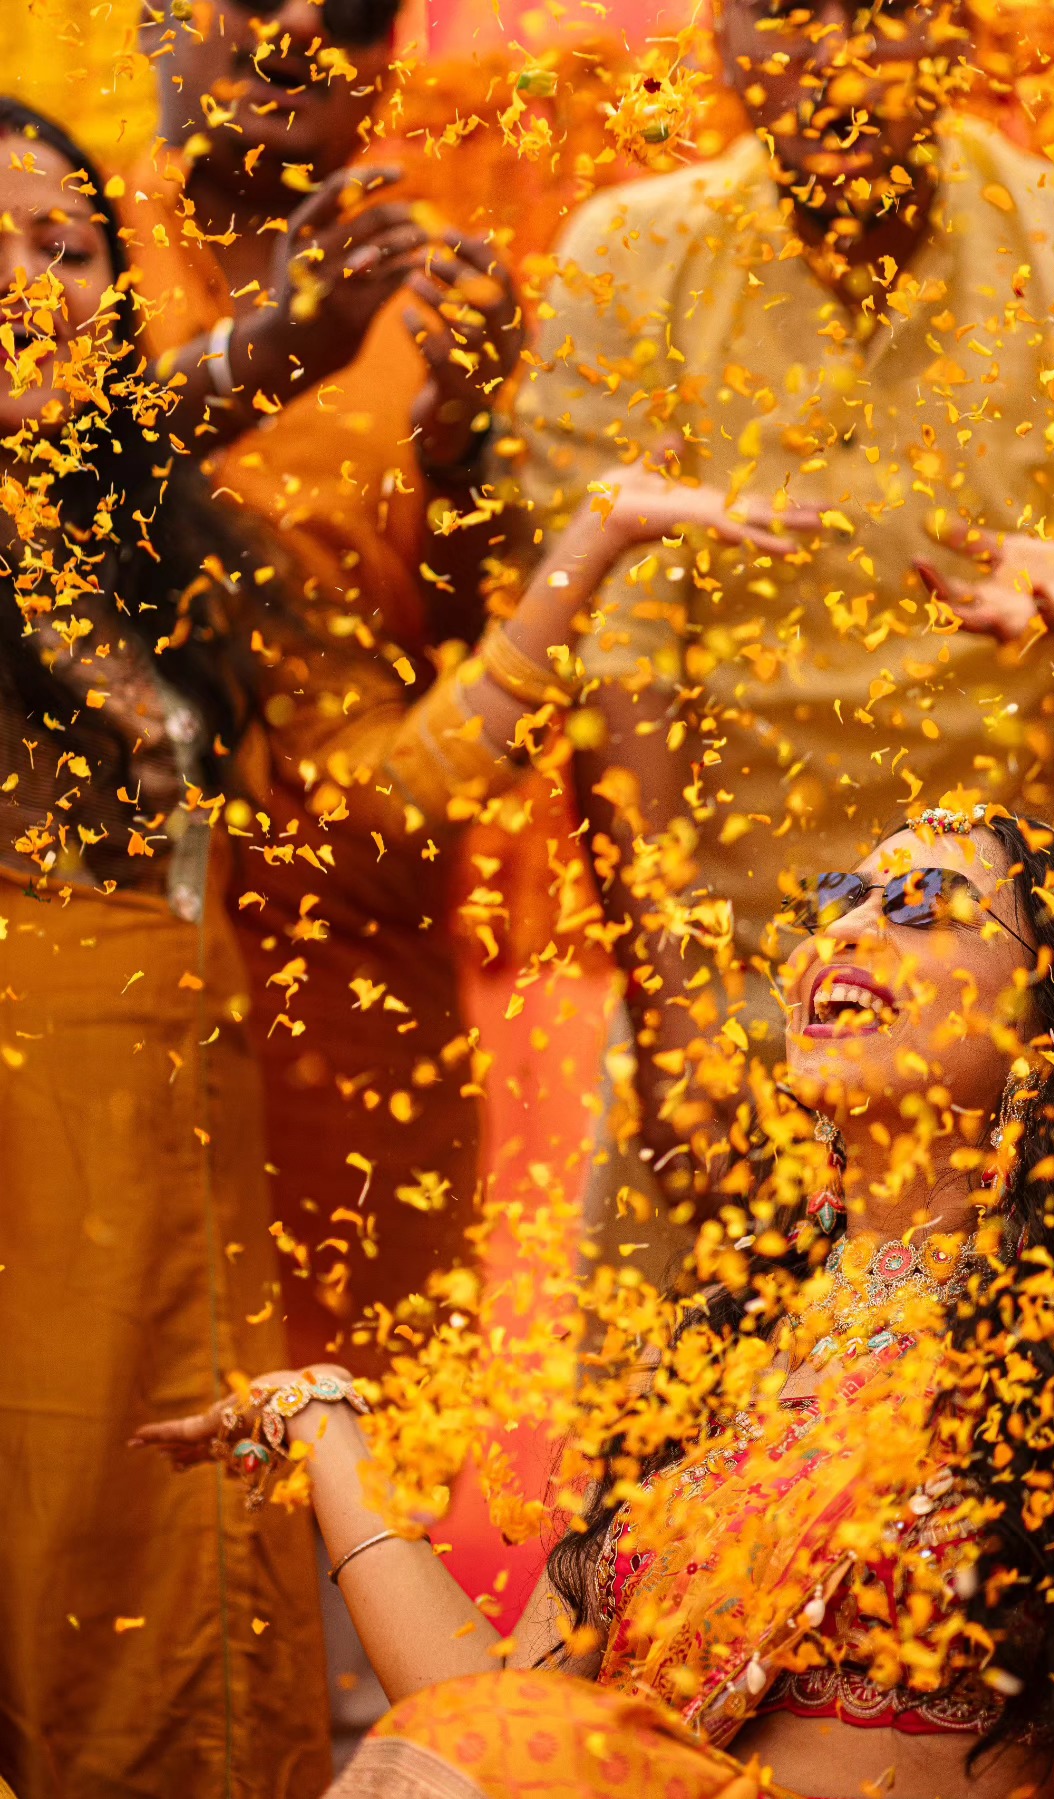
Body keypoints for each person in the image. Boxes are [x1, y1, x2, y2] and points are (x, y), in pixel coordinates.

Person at [137, 805, 1054, 1799]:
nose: (846, 930)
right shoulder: (731, 1336)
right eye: (840, 897)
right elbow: (497, 1727)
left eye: (923, 906)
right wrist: (327, 1430)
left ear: (1047, 1033)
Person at [495, 0, 1054, 1203]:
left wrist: (1047, 1011)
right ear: (719, 35)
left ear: (963, 30)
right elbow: (621, 666)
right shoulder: (632, 255)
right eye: (786, 13)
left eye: (885, 10)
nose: (840, 62)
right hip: (731, 972)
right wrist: (679, 1023)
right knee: (693, 1319)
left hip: (1013, 962)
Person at [0, 100, 330, 1798]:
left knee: (170, 1567)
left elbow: (371, 785)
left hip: (178, 1140)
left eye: (63, 249)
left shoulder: (160, 544)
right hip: (23, 1149)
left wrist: (580, 560)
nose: (26, 284)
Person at [122, 0, 526, 1365]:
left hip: (351, 971)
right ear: (153, 19)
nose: (298, 22)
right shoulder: (56, 237)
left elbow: (487, 682)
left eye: (349, 8)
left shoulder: (441, 297)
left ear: (386, 63)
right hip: (97, 939)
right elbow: (43, 486)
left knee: (358, 1426)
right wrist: (268, 351)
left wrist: (464, 456)